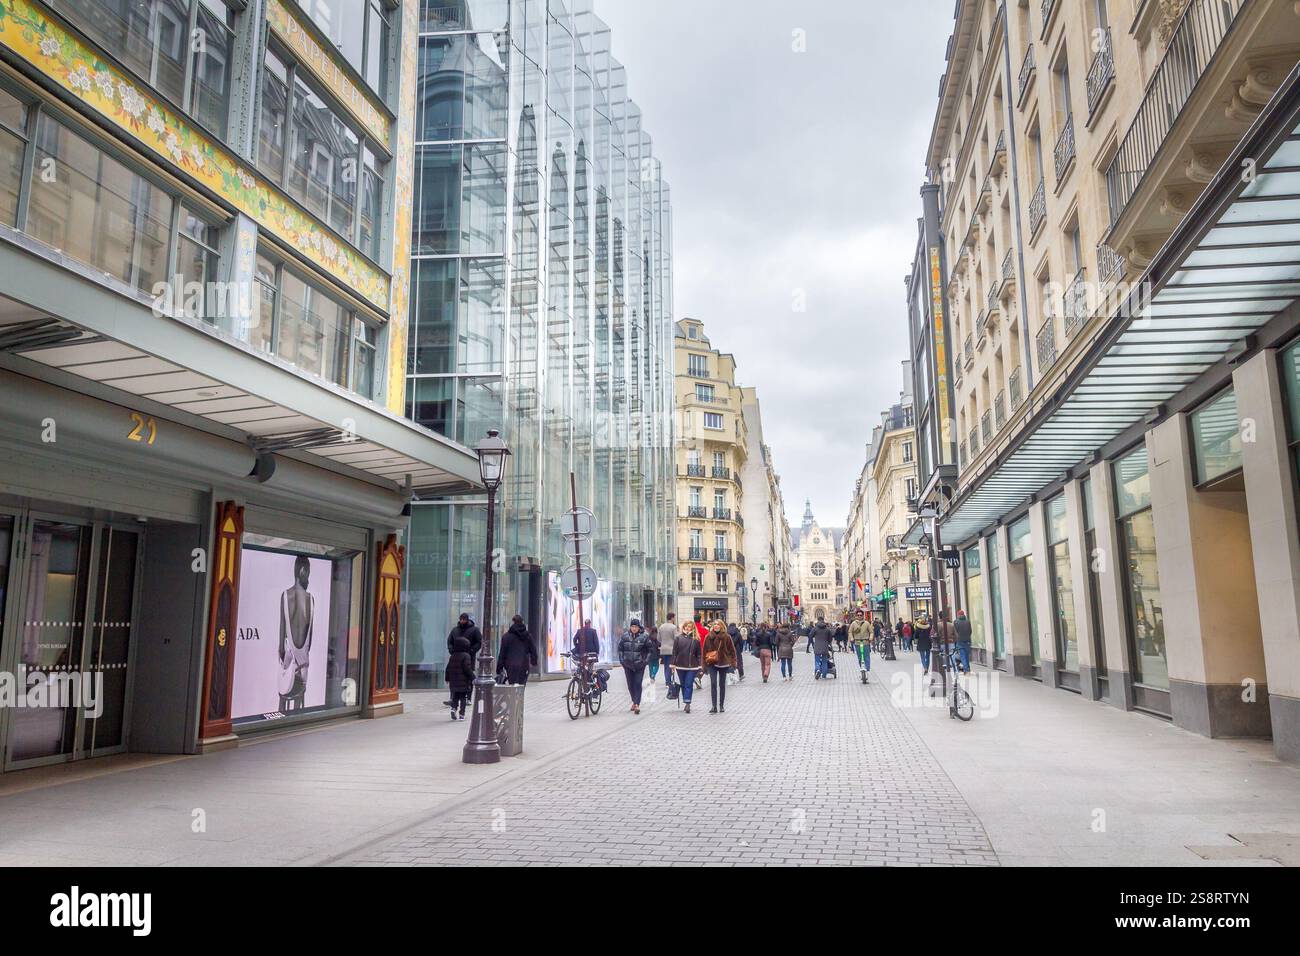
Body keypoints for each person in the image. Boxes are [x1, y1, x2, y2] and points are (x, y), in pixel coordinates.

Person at [278, 555, 314, 711]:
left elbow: (281, 635)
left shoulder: (285, 596)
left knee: (283, 693)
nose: (309, 576)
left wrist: (284, 658)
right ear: (303, 571)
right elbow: (309, 638)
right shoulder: (310, 599)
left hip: (288, 657)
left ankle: (279, 720)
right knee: (299, 696)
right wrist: (302, 655)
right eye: (309, 572)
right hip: (303, 661)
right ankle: (297, 718)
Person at [617, 619, 656, 714]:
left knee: (638, 684)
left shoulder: (645, 636)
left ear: (639, 627)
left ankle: (637, 704)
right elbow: (620, 649)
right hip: (628, 665)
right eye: (632, 626)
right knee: (630, 685)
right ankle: (634, 701)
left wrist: (645, 661)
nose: (634, 628)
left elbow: (650, 650)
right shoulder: (625, 636)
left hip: (639, 665)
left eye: (636, 627)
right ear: (630, 627)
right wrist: (622, 661)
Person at [445, 613, 483, 709]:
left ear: (467, 620)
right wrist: (451, 650)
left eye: (464, 619)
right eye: (461, 619)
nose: (462, 621)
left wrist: (472, 650)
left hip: (468, 656)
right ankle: (453, 697)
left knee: (468, 676)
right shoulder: (455, 630)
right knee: (455, 676)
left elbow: (479, 642)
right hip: (456, 656)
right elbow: (450, 641)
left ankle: (468, 697)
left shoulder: (474, 630)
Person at [702, 619, 738, 713]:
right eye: (714, 624)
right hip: (712, 662)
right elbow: (704, 651)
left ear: (722, 626)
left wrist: (733, 663)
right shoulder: (708, 637)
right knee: (713, 684)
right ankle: (714, 706)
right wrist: (704, 665)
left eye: (718, 624)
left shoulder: (726, 637)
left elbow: (732, 651)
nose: (716, 626)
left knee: (722, 685)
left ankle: (721, 705)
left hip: (723, 663)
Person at [671, 620, 703, 713]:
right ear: (684, 627)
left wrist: (700, 666)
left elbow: (699, 654)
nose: (688, 628)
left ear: (693, 628)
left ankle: (687, 702)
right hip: (680, 665)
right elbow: (674, 652)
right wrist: (672, 664)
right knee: (683, 684)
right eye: (687, 626)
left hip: (692, 666)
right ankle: (686, 700)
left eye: (690, 627)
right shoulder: (678, 638)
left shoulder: (696, 639)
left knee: (689, 684)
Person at [496, 614, 537, 685]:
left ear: (513, 622)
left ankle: (513, 696)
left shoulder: (506, 637)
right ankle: (520, 696)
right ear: (522, 622)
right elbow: (533, 650)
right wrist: (534, 662)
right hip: (523, 664)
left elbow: (502, 653)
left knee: (512, 685)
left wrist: (499, 668)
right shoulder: (527, 636)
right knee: (521, 685)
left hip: (510, 666)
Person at [445, 635, 475, 720]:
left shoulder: (453, 656)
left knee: (455, 697)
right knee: (463, 698)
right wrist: (473, 678)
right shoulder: (466, 656)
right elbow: (467, 668)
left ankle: (453, 708)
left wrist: (447, 678)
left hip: (454, 681)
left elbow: (448, 668)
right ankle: (462, 714)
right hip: (464, 681)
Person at [848, 609, 871, 683]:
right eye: (858, 615)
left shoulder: (867, 623)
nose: (859, 616)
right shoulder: (853, 623)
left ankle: (867, 671)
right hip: (857, 642)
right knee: (860, 657)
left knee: (866, 657)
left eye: (861, 615)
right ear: (856, 616)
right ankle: (862, 668)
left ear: (862, 615)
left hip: (865, 642)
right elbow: (850, 632)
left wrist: (870, 638)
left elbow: (871, 632)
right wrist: (851, 638)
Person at [656, 613, 678, 687]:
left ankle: (667, 681)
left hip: (663, 649)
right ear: (672, 618)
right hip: (671, 649)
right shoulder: (673, 627)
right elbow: (676, 638)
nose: (674, 619)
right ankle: (669, 681)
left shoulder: (661, 627)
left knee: (666, 666)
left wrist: (664, 642)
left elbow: (658, 638)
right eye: (674, 618)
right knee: (671, 665)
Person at [810, 615, 834, 680]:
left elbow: (810, 635)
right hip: (825, 646)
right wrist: (828, 642)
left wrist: (812, 642)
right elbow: (830, 638)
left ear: (818, 620)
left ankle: (818, 670)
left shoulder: (815, 628)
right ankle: (824, 675)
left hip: (817, 646)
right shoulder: (827, 629)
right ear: (823, 620)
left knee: (817, 660)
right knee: (824, 661)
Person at [954, 609, 973, 674]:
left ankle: (966, 670)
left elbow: (955, 632)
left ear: (958, 615)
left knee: (962, 655)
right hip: (967, 640)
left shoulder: (956, 622)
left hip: (960, 640)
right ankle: (968, 668)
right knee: (966, 655)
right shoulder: (968, 621)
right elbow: (970, 631)